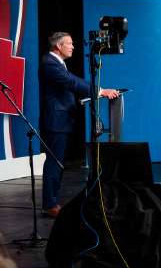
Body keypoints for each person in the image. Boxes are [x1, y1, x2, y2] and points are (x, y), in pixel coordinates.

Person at [39, 32, 120, 217]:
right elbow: (70, 82)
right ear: (58, 46)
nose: (73, 47)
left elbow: (68, 86)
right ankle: (49, 204)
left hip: (62, 120)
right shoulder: (49, 63)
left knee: (58, 163)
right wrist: (100, 90)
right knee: (55, 163)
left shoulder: (57, 62)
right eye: (69, 43)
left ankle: (51, 202)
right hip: (56, 122)